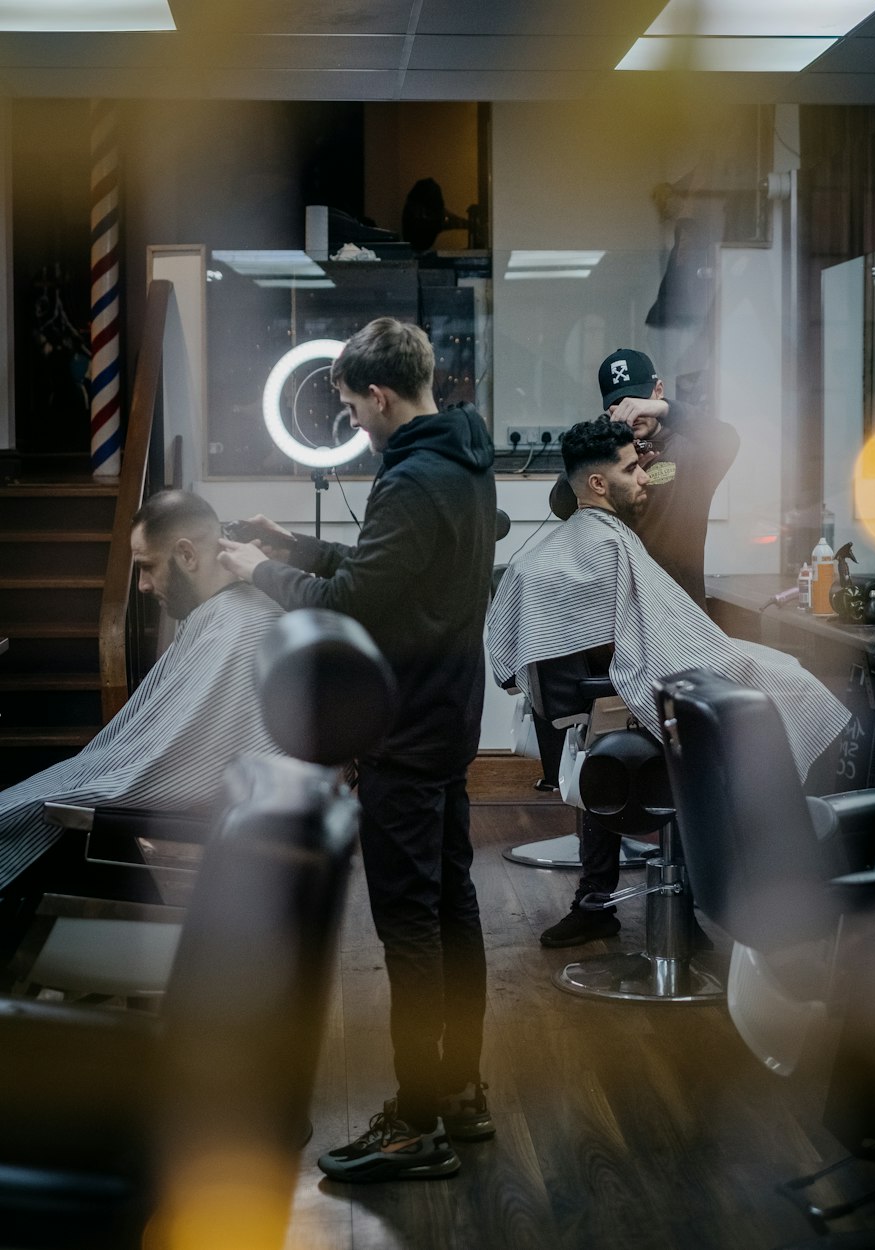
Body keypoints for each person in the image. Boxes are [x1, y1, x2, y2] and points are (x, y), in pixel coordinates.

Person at [218, 316, 497, 1183]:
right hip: (448, 715)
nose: (350, 423)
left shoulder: (412, 480)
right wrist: (288, 542)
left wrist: (251, 572)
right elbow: (386, 570)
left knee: (411, 925)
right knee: (451, 904)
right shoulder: (461, 459)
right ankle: (457, 1091)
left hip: (406, 728)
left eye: (348, 406)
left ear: (379, 394)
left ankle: (416, 1121)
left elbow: (354, 605)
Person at [487, 419, 850, 947]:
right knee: (798, 688)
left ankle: (707, 894)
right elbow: (644, 651)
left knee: (778, 678)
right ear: (596, 485)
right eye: (632, 470)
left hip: (615, 690)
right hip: (636, 693)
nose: (646, 479)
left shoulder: (582, 544)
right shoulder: (606, 545)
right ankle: (780, 892)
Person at [0, 490, 285, 951]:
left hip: (218, 830)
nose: (143, 586)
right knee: (51, 808)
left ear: (187, 555)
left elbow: (179, 763)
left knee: (47, 813)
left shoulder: (243, 627)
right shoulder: (221, 614)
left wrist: (94, 790)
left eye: (147, 567)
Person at [549, 346, 739, 608]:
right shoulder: (607, 454)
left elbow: (728, 439)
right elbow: (560, 504)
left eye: (638, 400)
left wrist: (665, 409)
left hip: (680, 611)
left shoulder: (693, 450)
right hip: (619, 611)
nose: (633, 413)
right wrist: (604, 453)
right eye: (621, 405)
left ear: (658, 391)